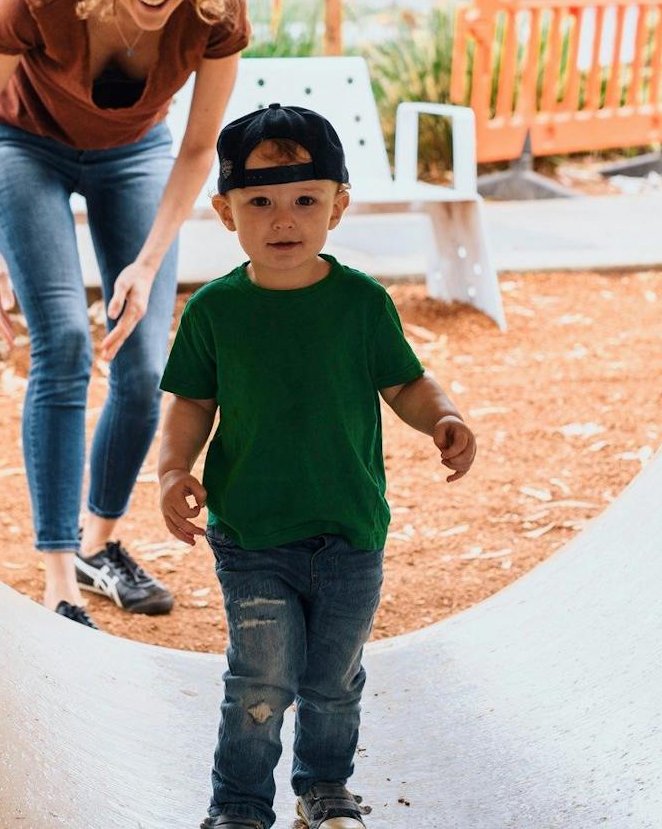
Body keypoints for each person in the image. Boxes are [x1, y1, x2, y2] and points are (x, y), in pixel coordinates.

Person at [0, 0, 249, 629]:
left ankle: (99, 543)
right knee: (66, 345)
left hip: (135, 153)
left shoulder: (217, 4)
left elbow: (195, 149)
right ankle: (57, 579)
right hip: (26, 146)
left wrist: (148, 264)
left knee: (146, 359)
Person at [156, 104, 478, 829]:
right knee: (259, 680)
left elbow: (406, 384)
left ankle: (323, 789)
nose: (283, 220)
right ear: (224, 211)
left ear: (338, 207)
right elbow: (189, 403)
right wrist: (172, 472)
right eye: (259, 202)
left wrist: (446, 416)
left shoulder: (361, 303)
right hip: (253, 534)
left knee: (334, 680)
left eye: (305, 200)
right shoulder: (215, 311)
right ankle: (237, 808)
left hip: (350, 534)